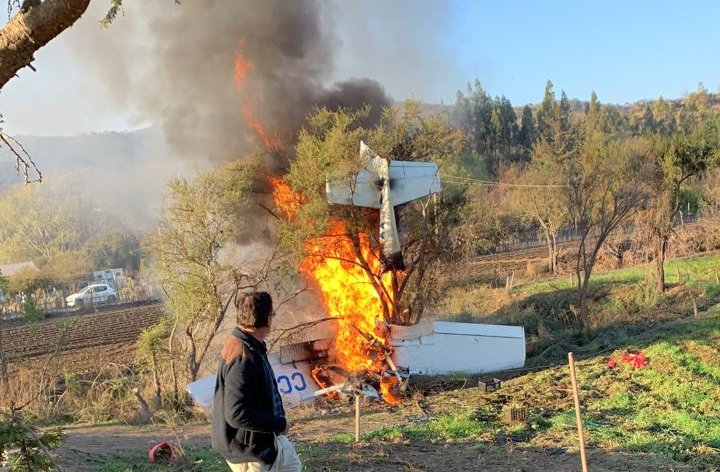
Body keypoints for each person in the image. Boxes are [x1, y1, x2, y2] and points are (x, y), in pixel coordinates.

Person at [211, 291, 302, 472]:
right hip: (250, 452)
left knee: (292, 466)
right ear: (267, 319)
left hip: (269, 441)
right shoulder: (243, 357)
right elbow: (236, 414)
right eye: (272, 314)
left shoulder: (251, 346)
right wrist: (279, 424)